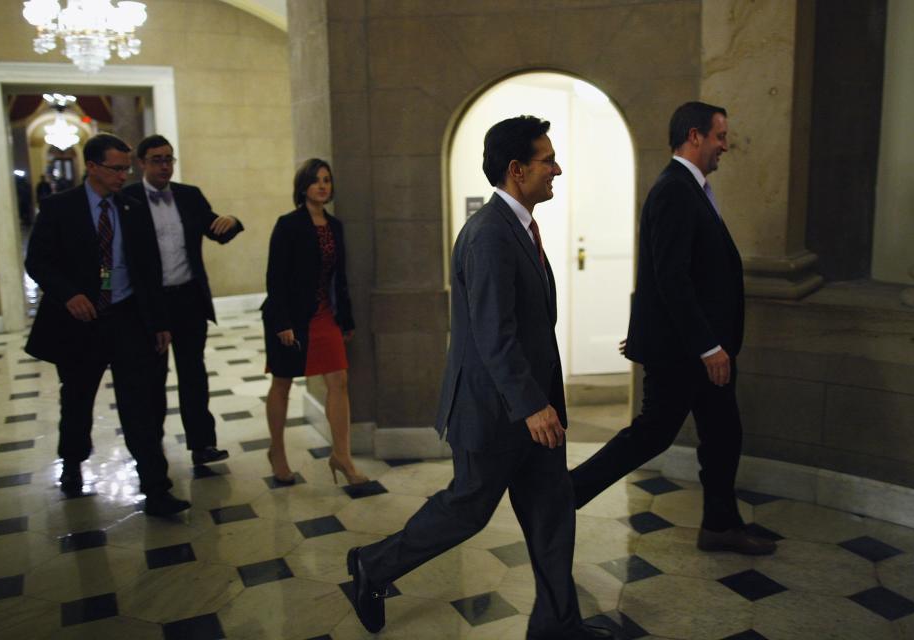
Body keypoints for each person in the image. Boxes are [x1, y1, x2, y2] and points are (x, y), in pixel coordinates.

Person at [344, 117, 611, 640]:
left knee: (552, 511)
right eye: (547, 160)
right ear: (517, 170)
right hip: (493, 411)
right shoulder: (489, 234)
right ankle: (372, 567)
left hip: (533, 408)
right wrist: (532, 405)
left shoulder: (519, 227)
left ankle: (558, 625)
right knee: (467, 511)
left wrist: (541, 404)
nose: (557, 169)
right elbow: (494, 334)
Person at [569, 102, 775, 556]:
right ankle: (562, 496)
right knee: (652, 433)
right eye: (720, 136)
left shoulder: (690, 189)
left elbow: (679, 274)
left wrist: (656, 329)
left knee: (723, 434)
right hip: (693, 352)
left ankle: (720, 525)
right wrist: (706, 346)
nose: (726, 145)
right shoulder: (675, 191)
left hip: (702, 348)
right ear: (694, 136)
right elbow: (670, 276)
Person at [24, 133, 189, 517]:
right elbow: (38, 262)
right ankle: (73, 462)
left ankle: (156, 488)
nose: (123, 175)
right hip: (80, 323)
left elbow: (148, 269)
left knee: (141, 407)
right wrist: (68, 294)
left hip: (127, 318)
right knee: (78, 401)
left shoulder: (131, 207)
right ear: (93, 166)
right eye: (116, 168)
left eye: (126, 168)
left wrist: (158, 321)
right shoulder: (58, 208)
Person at [124, 135, 243, 467]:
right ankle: (153, 447)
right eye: (158, 159)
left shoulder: (189, 196)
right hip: (151, 304)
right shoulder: (128, 199)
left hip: (189, 298)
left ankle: (202, 444)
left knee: (194, 374)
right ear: (142, 163)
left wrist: (233, 222)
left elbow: (216, 229)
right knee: (152, 381)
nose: (165, 166)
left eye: (169, 159)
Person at [260, 159, 365, 486]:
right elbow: (274, 278)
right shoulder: (288, 224)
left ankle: (342, 456)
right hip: (291, 318)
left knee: (340, 381)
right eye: (316, 180)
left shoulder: (335, 226)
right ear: (303, 186)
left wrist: (345, 319)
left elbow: (340, 278)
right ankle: (276, 451)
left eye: (327, 180)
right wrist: (282, 322)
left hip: (325, 316)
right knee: (283, 383)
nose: (323, 185)